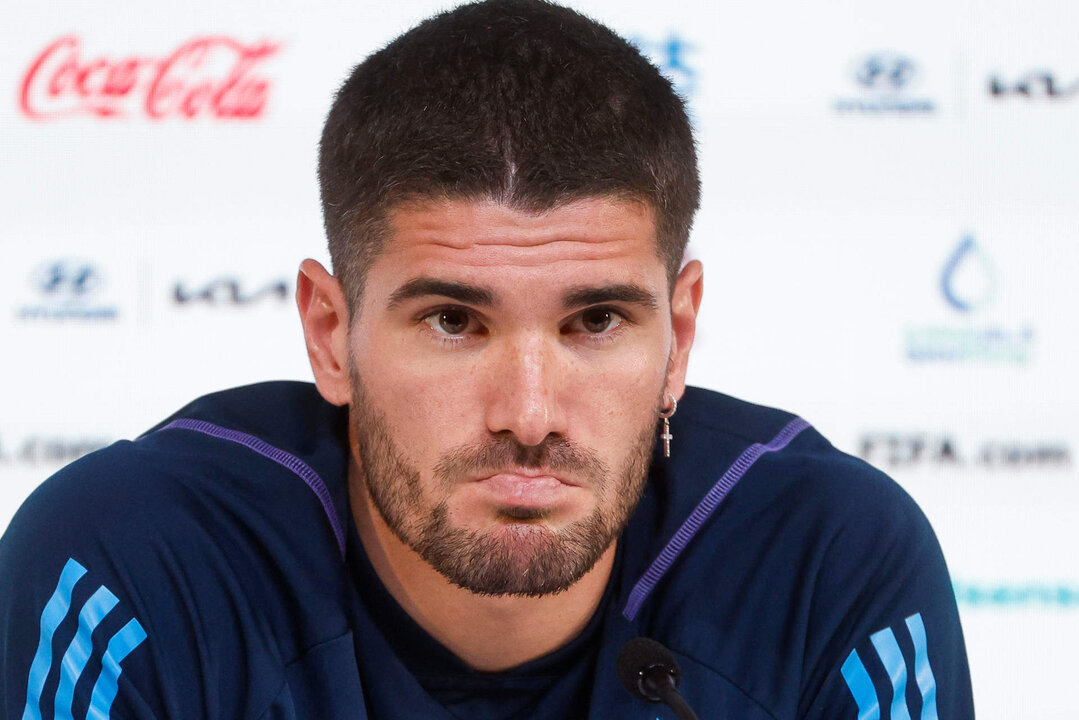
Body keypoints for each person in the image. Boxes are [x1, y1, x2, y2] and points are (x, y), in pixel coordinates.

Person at [0, 1, 974, 718]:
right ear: (329, 335)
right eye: (453, 323)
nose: (529, 411)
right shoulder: (131, 563)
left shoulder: (826, 563)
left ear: (676, 335)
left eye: (594, 321)